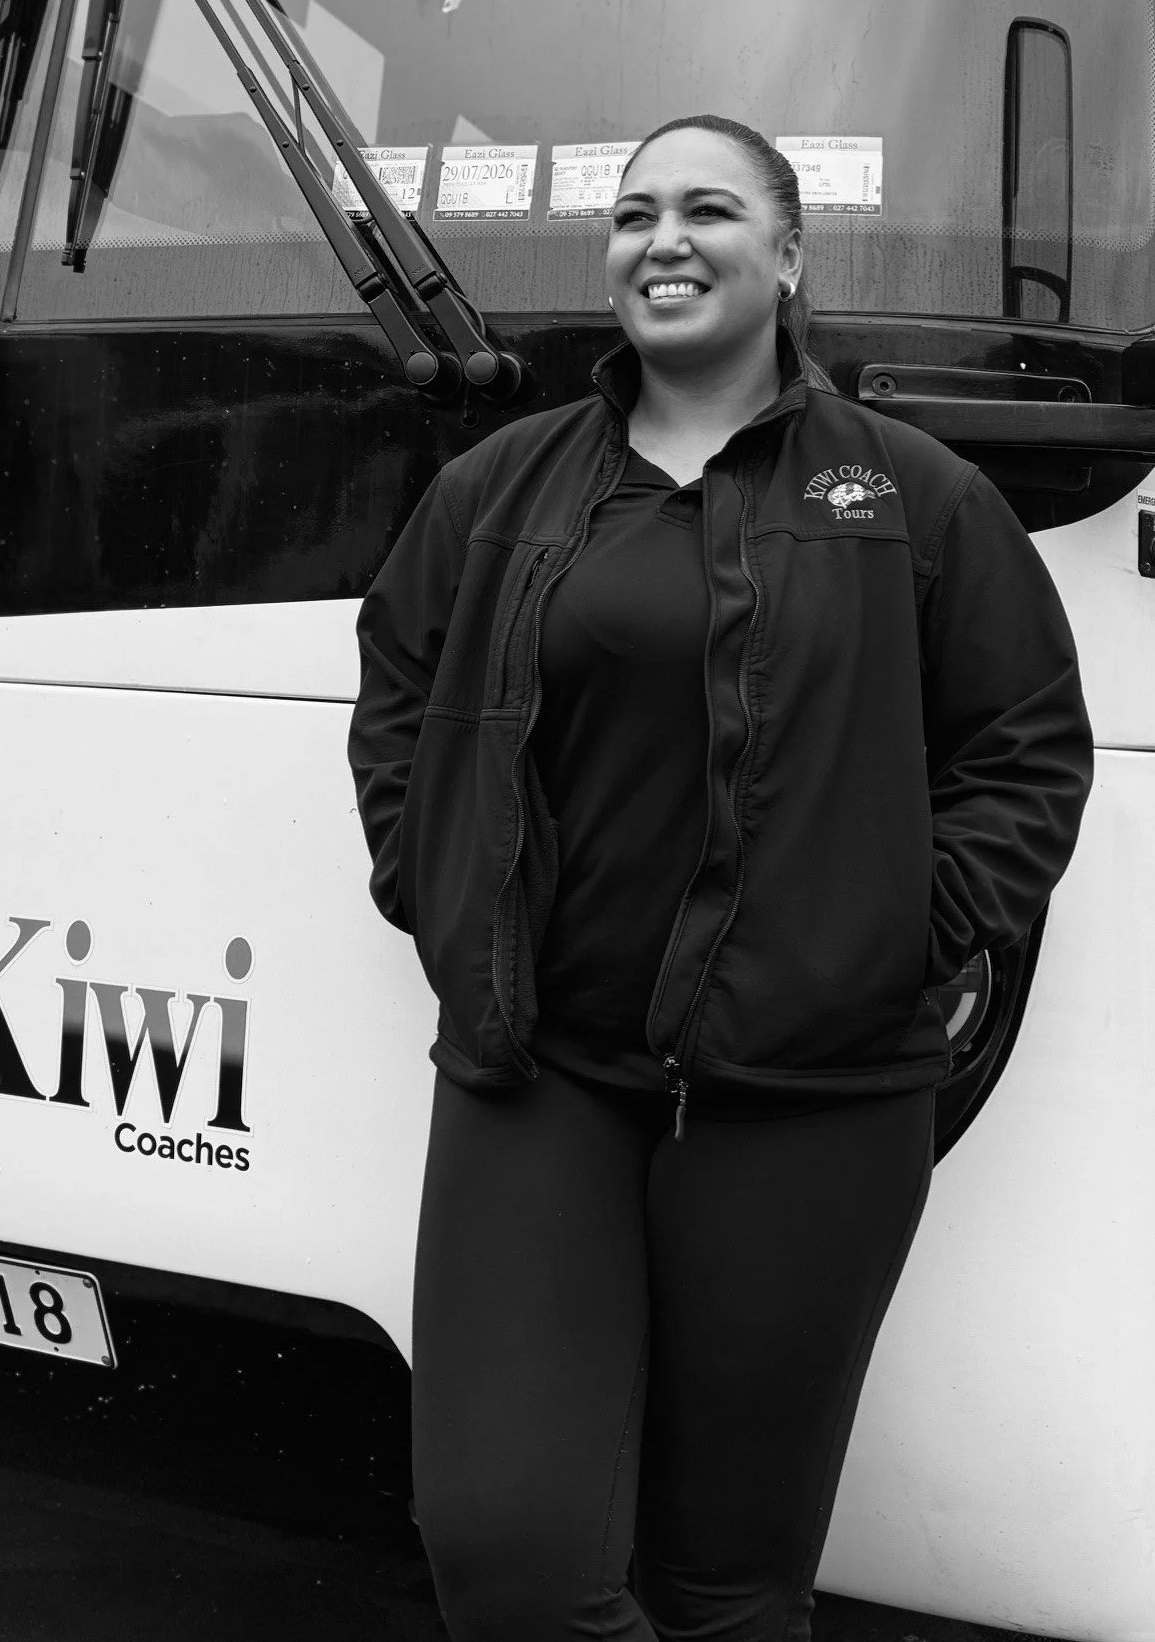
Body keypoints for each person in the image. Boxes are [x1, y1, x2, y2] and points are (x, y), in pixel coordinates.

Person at [347, 113, 1093, 1641]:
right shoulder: (500, 486)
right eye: (630, 215)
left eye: (706, 209)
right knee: (508, 1555)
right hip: (537, 1072)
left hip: (809, 1105)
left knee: (727, 1586)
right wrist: (432, 897)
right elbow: (399, 707)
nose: (659, 239)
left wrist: (891, 941)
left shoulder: (911, 499)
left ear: (790, 255)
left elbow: (1026, 752)